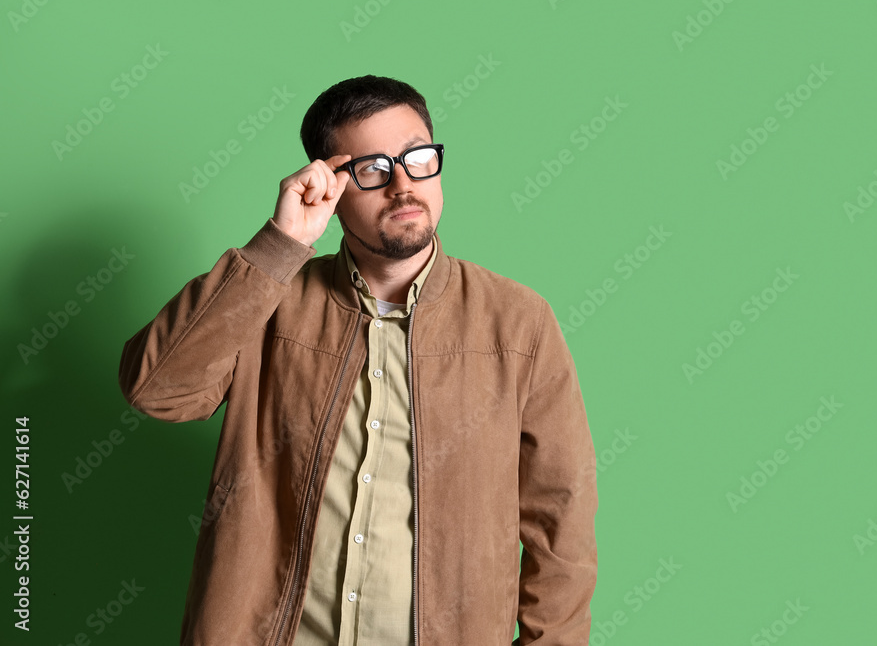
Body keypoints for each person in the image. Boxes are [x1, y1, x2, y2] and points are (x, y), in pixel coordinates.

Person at [118, 74, 598, 645]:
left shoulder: (518, 321)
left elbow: (560, 515)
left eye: (418, 157)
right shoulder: (268, 299)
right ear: (329, 184)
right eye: (371, 168)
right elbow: (156, 390)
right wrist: (279, 245)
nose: (402, 184)